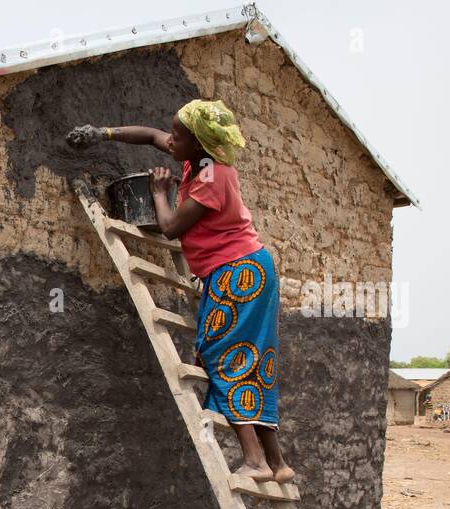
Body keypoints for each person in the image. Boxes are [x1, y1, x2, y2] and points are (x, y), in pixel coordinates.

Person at [68, 100, 293, 483]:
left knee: (220, 357)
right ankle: (278, 464)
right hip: (250, 269)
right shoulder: (200, 159)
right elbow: (151, 136)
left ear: (199, 143)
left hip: (238, 274)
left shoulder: (211, 179)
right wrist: (102, 132)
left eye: (179, 136)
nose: (170, 140)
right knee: (251, 362)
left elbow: (171, 227)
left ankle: (254, 460)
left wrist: (159, 191)